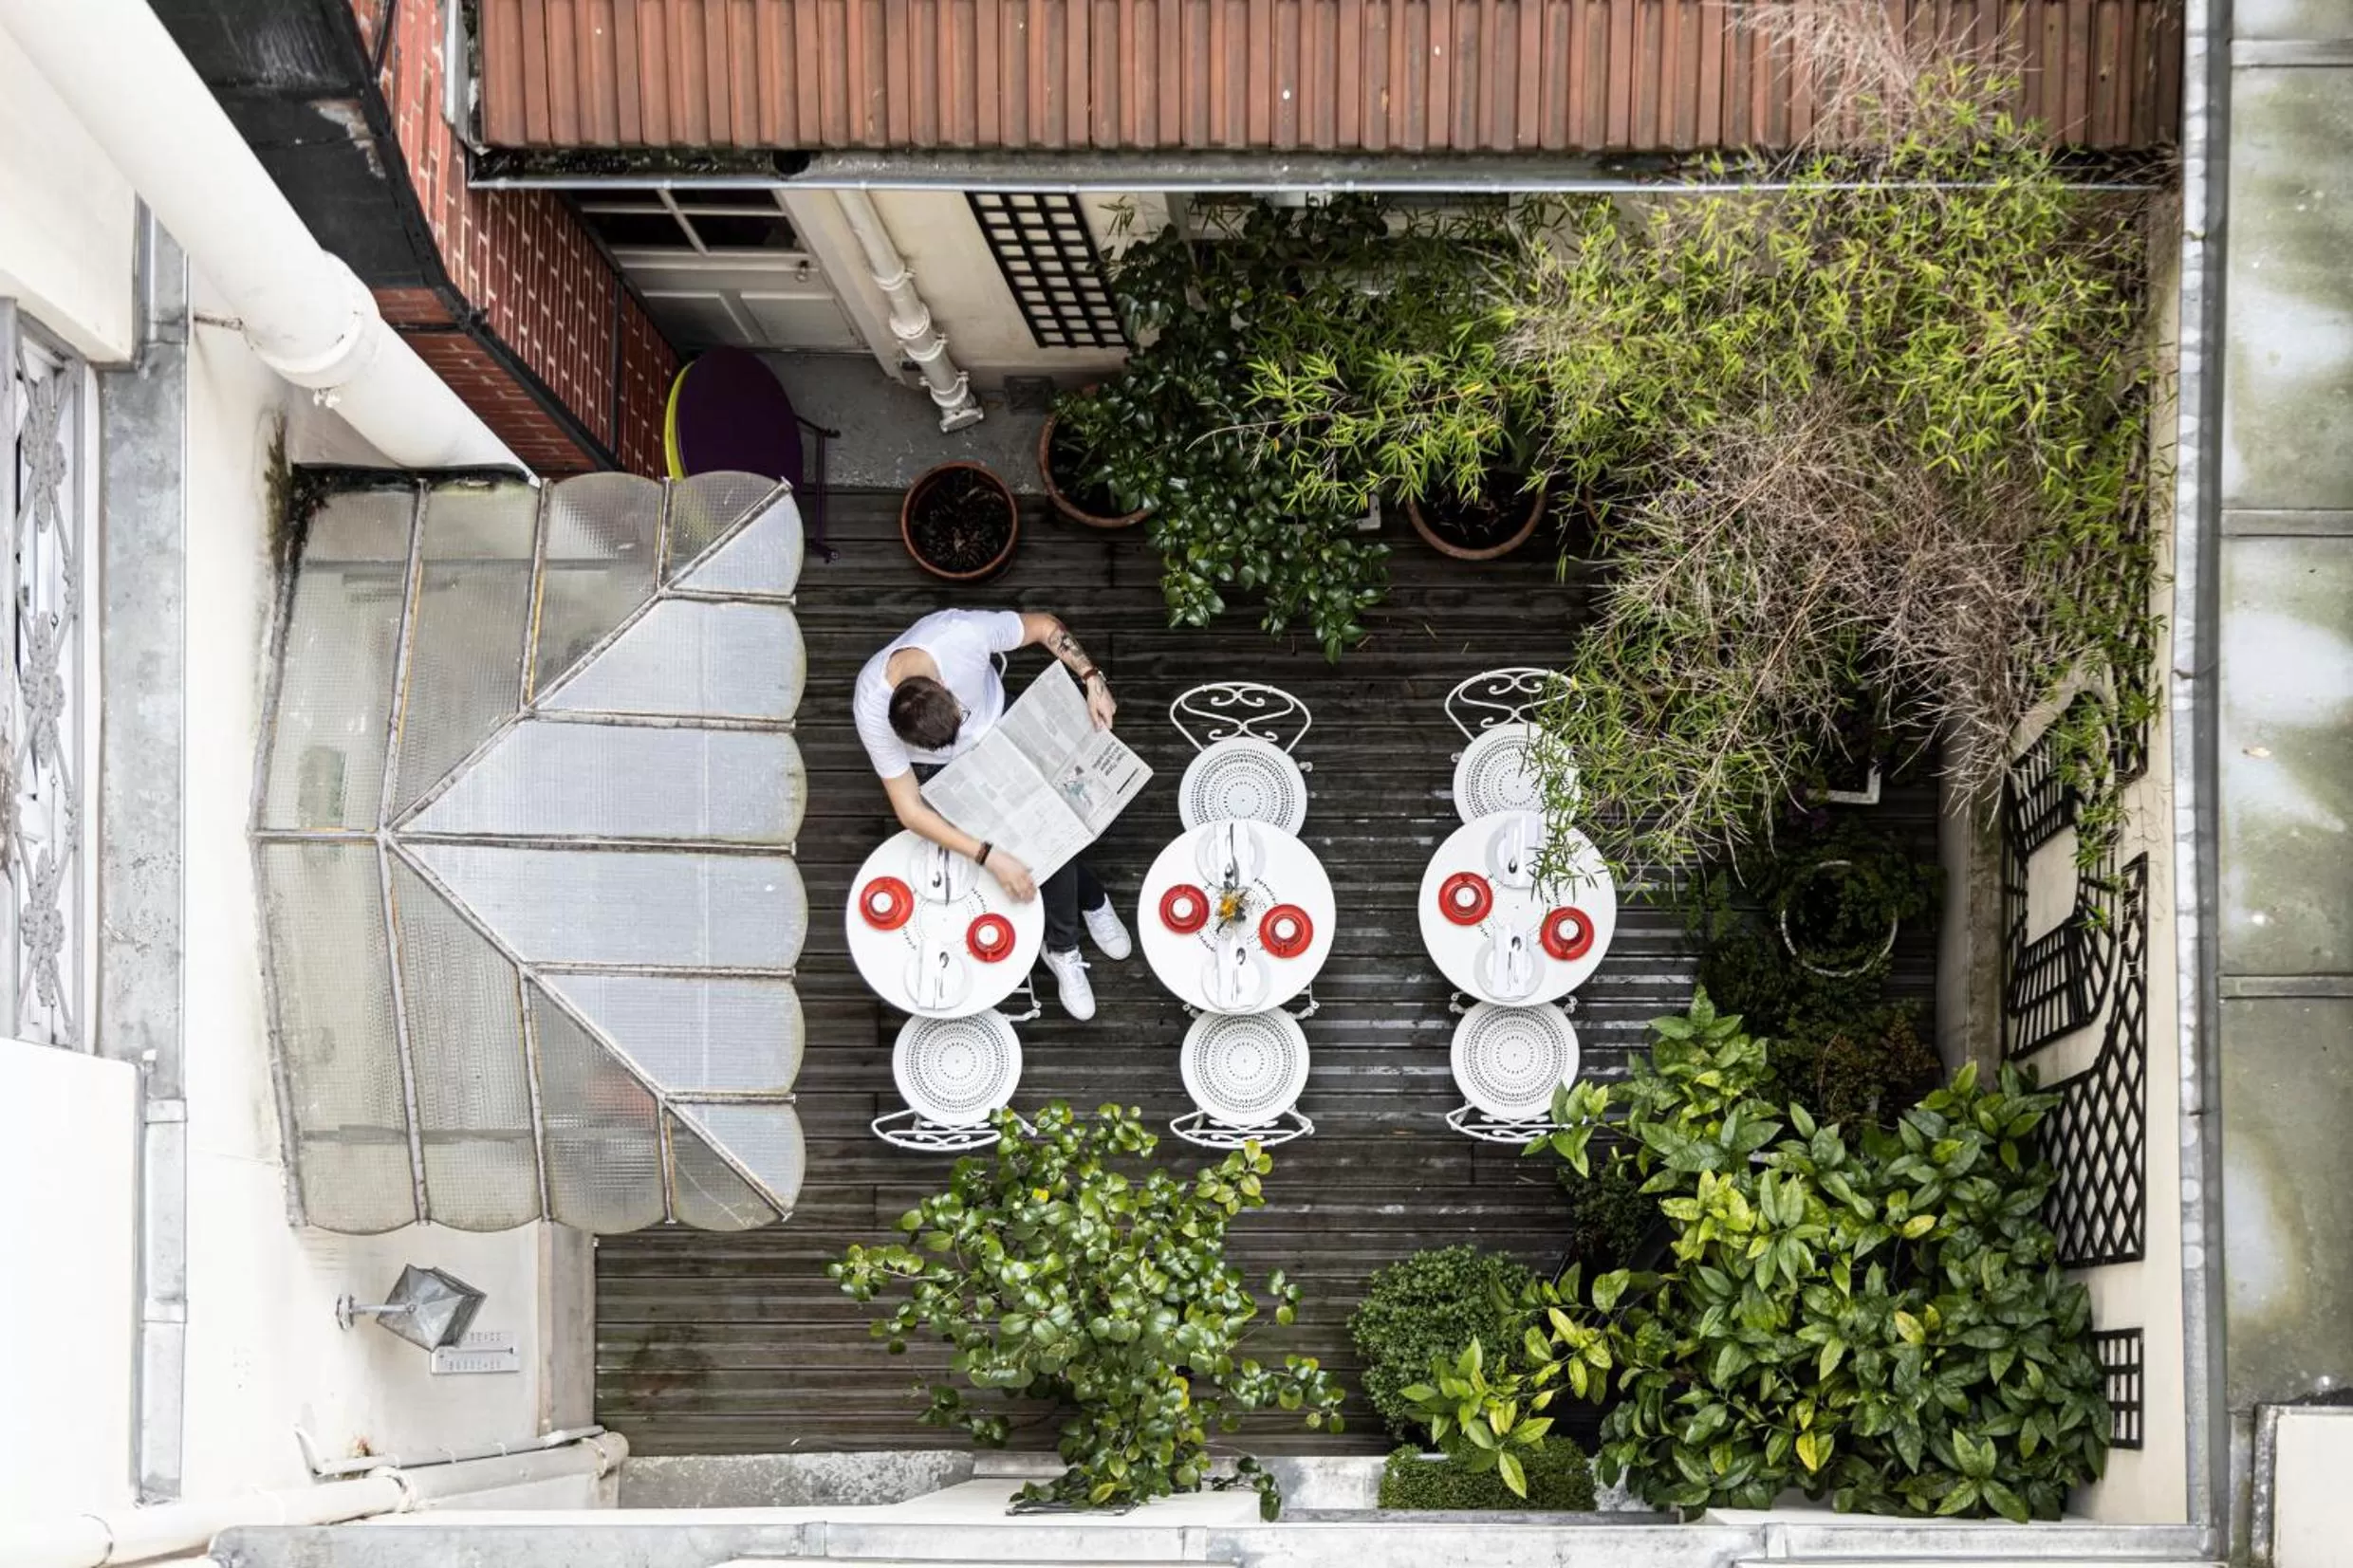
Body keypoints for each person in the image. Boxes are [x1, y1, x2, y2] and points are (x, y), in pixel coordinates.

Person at [852, 608, 1132, 1020]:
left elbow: (1044, 627)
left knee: (1059, 819)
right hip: (952, 774)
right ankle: (1067, 939)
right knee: (1041, 837)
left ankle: (1081, 912)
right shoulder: (871, 711)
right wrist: (988, 855)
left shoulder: (961, 635)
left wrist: (1092, 679)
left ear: (944, 685)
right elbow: (909, 809)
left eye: (959, 716)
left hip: (1004, 724)